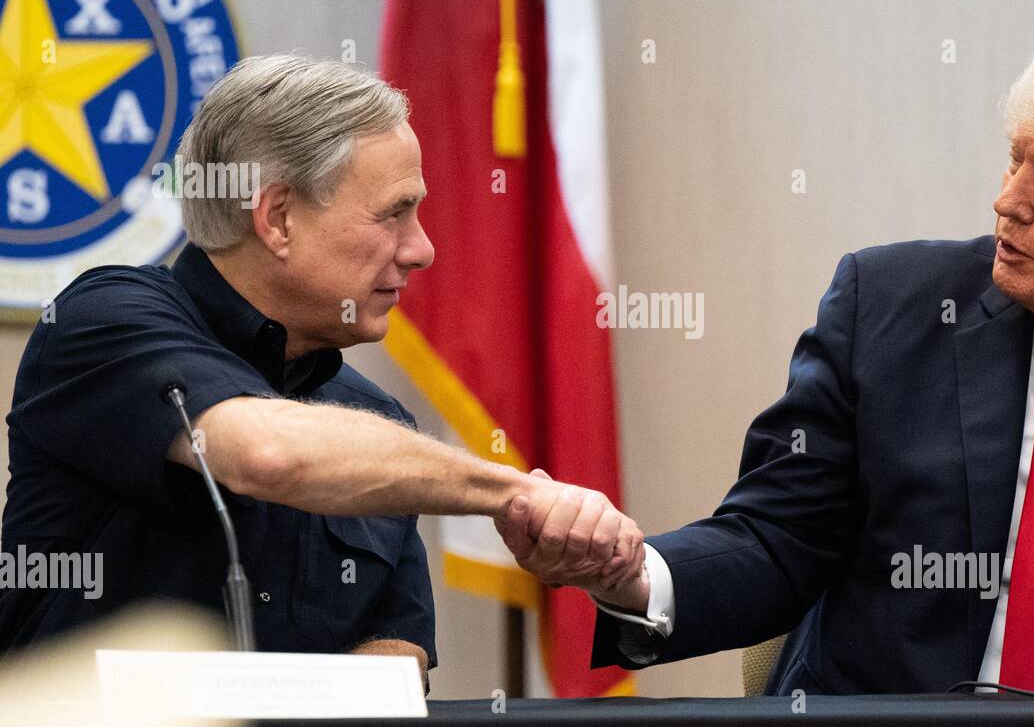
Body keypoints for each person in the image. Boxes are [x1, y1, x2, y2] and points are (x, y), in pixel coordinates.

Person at [499, 33, 1034, 694]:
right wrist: (634, 574)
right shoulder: (888, 310)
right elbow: (778, 540)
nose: (1008, 199)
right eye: (1014, 159)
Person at [0, 55, 643, 677]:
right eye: (395, 212)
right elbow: (266, 453)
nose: (423, 249)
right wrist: (516, 493)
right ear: (277, 218)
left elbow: (394, 661)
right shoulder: (102, 317)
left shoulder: (376, 421)